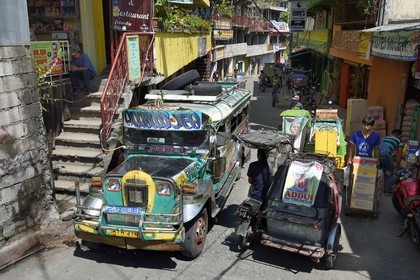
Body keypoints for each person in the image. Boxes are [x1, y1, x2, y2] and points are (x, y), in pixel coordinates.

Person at [379, 129, 403, 196]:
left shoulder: (385, 138)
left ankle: (377, 189)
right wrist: (398, 164)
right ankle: (388, 191)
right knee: (389, 172)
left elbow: (378, 146)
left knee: (378, 172)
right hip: (386, 157)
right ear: (399, 136)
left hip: (377, 156)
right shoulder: (399, 141)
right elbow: (399, 154)